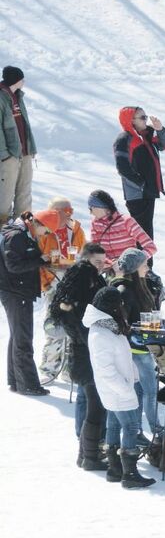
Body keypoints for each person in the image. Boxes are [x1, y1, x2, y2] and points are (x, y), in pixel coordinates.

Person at [83, 287, 155, 489]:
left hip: (117, 388)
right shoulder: (101, 333)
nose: (122, 307)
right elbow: (106, 370)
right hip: (116, 390)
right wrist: (125, 388)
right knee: (131, 427)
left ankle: (115, 470)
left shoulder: (108, 327)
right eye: (119, 304)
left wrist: (132, 376)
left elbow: (121, 356)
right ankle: (129, 474)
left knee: (114, 426)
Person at [49, 242, 107, 467]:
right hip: (85, 354)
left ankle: (86, 454)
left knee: (93, 403)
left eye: (103, 262)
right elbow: (74, 323)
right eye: (97, 262)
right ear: (87, 260)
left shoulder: (79, 282)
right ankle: (89, 457)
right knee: (95, 404)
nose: (101, 267)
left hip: (83, 353)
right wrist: (91, 339)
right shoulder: (83, 280)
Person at [109, 248, 164, 441]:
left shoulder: (140, 286)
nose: (147, 267)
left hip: (143, 346)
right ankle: (157, 430)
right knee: (149, 391)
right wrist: (140, 331)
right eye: (144, 264)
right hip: (136, 349)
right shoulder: (125, 290)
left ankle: (141, 431)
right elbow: (123, 324)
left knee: (141, 391)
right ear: (134, 268)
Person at [0, 211, 51, 395]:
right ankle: (28, 385)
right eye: (46, 230)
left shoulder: (20, 231)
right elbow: (13, 266)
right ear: (39, 223)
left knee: (17, 335)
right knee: (23, 338)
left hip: (14, 290)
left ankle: (16, 380)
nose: (45, 234)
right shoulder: (17, 236)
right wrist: (39, 260)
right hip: (16, 292)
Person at [35, 204, 86, 381]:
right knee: (54, 326)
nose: (66, 217)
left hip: (73, 285)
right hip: (53, 284)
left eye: (68, 213)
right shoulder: (46, 231)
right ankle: (49, 368)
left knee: (72, 326)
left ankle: (67, 369)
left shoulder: (76, 230)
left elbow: (82, 256)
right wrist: (46, 286)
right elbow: (39, 260)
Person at [113, 106, 165, 240]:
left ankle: (146, 261)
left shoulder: (146, 136)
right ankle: (143, 261)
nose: (146, 120)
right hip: (137, 193)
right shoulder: (124, 139)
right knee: (142, 234)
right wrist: (141, 184)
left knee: (146, 232)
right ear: (131, 120)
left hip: (148, 191)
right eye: (142, 117)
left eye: (146, 116)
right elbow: (122, 168)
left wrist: (160, 130)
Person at [0, 66, 36, 222]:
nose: (24, 82)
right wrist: (5, 154)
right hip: (9, 155)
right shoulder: (1, 98)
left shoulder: (18, 96)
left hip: (24, 152)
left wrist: (31, 148)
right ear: (16, 80)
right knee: (5, 194)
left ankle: (25, 226)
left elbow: (24, 125)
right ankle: (2, 228)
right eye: (22, 79)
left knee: (25, 191)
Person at [87, 189, 156, 264]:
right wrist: (109, 263)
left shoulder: (127, 221)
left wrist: (134, 261)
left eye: (91, 208)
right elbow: (95, 251)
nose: (90, 212)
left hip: (130, 271)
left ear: (102, 207)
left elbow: (151, 247)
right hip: (112, 272)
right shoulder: (96, 224)